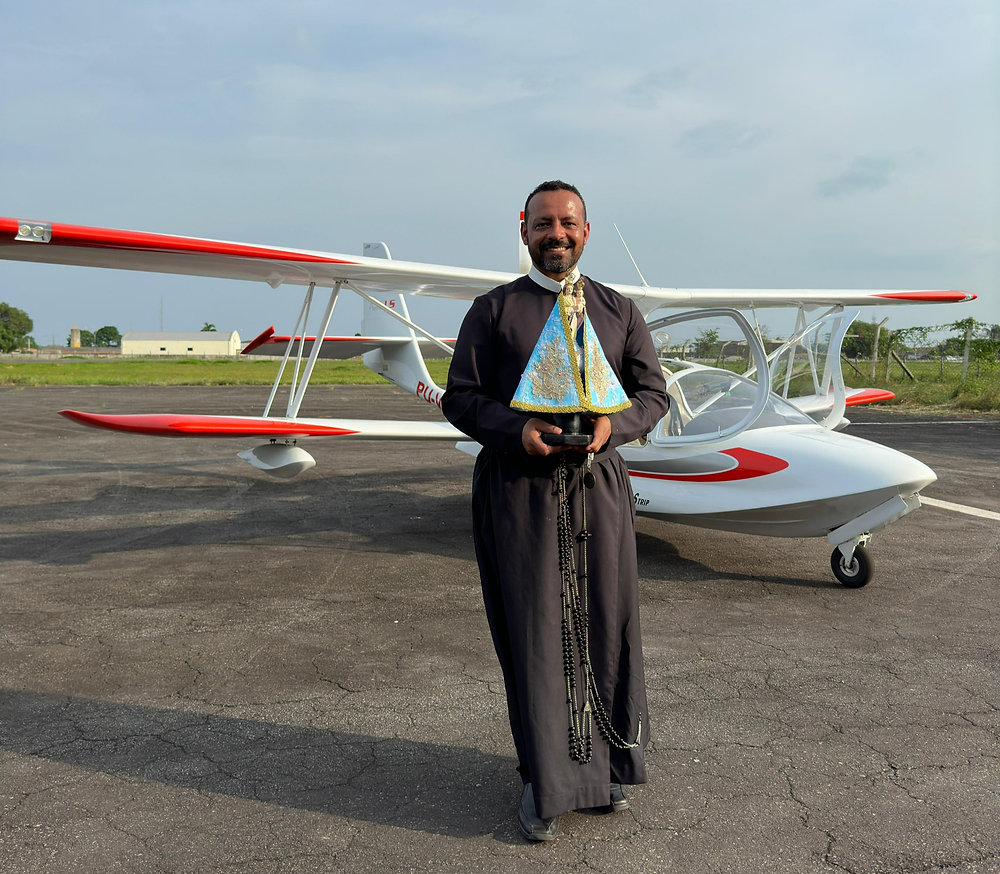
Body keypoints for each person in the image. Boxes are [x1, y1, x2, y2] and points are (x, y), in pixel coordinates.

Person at [441, 181, 669, 841]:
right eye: (543, 224)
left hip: (599, 488)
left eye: (567, 223)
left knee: (606, 625)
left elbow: (653, 394)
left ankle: (607, 772)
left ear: (587, 230)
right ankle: (546, 781)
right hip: (520, 494)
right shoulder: (493, 310)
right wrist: (518, 431)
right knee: (538, 634)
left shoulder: (618, 310)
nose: (556, 235)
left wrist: (612, 424)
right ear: (524, 229)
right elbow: (461, 398)